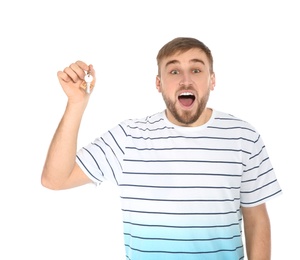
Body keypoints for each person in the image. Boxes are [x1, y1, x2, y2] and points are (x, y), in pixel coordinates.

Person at [41, 37, 282, 260]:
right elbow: (55, 179)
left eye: (196, 70)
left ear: (212, 80)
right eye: (174, 71)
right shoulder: (128, 138)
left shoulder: (243, 137)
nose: (185, 80)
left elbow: (256, 219)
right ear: (159, 83)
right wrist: (76, 104)